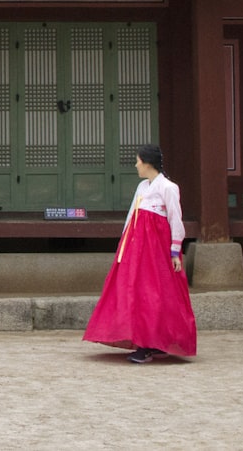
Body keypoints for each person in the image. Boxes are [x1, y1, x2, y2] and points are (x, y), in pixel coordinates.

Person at [83, 144, 197, 363]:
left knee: (157, 295)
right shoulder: (142, 187)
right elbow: (131, 218)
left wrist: (175, 251)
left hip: (158, 253)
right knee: (139, 294)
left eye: (137, 161)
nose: (135, 165)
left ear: (147, 162)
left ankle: (152, 343)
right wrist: (123, 246)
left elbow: (175, 219)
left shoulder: (168, 187)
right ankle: (146, 341)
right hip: (138, 252)